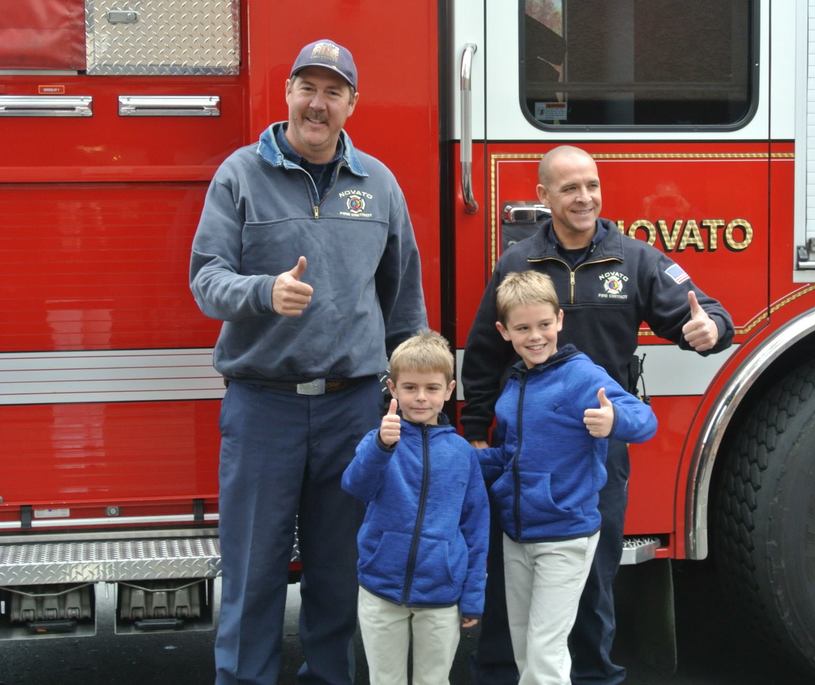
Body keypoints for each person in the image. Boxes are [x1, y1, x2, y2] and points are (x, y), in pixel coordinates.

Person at [189, 38, 426, 685]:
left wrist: (410, 396)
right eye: (308, 88)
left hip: (353, 408)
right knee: (252, 570)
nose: (317, 104)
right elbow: (206, 279)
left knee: (339, 571)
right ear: (288, 92)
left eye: (333, 91)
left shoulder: (378, 184)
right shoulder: (240, 175)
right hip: (262, 406)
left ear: (353, 103)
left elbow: (403, 299)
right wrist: (263, 292)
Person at [462, 145, 734, 685]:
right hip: (526, 448)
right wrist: (474, 430)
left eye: (592, 185)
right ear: (544, 196)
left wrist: (711, 330)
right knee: (511, 577)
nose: (584, 197)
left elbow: (706, 312)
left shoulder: (634, 259)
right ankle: (498, 675)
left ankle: (592, 676)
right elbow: (485, 352)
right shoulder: (517, 263)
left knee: (592, 575)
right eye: (570, 188)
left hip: (598, 445)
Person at [477, 270, 658, 685]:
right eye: (523, 328)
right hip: (517, 535)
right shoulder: (515, 382)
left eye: (544, 324)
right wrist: (457, 459)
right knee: (524, 645)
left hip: (564, 535)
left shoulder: (582, 376)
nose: (535, 336)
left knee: (545, 652)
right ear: (504, 331)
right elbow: (509, 455)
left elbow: (644, 421)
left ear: (559, 320)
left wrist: (614, 420)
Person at [341, 330, 489, 685]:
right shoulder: (379, 440)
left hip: (441, 592)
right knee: (385, 679)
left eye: (432, 388)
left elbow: (476, 529)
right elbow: (355, 486)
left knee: (433, 680)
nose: (421, 397)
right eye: (410, 387)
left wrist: (472, 596)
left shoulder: (462, 454)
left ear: (449, 390)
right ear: (393, 388)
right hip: (381, 588)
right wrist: (381, 447)